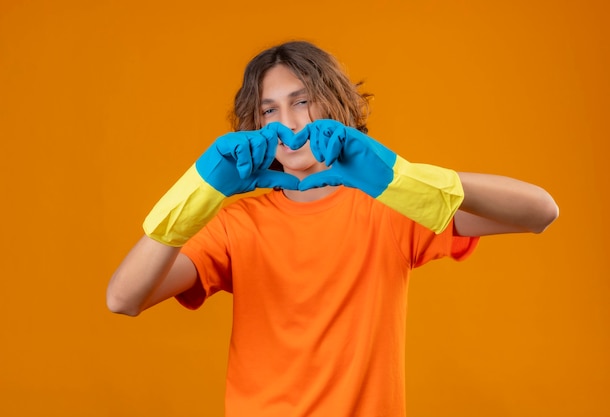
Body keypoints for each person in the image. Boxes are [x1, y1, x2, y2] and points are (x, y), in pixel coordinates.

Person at [107, 41, 559, 416]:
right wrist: (198, 190)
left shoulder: (390, 210)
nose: (288, 123)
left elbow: (540, 211)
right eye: (269, 111)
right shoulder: (236, 225)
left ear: (336, 105)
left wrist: (402, 179)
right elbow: (123, 298)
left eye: (302, 101)